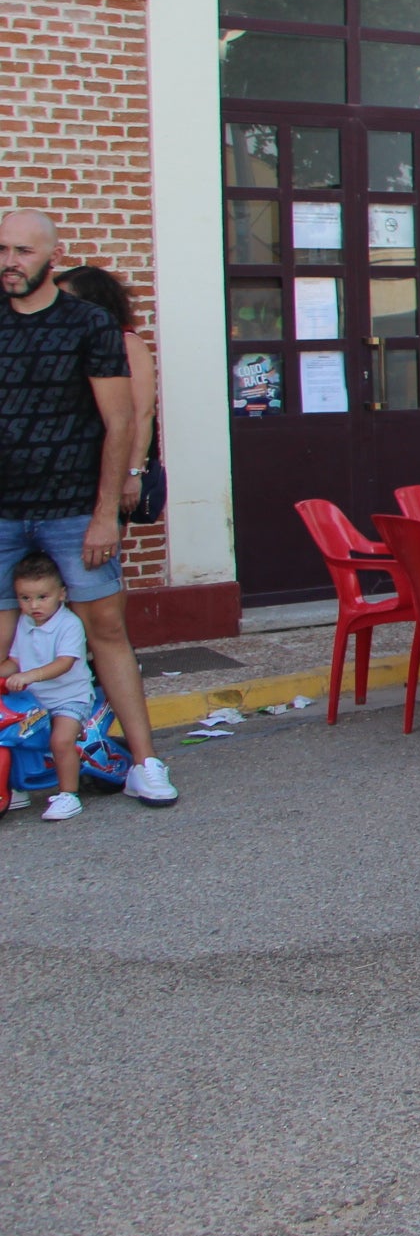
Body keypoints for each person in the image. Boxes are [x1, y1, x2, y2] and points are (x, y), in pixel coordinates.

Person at [0, 212, 174, 810]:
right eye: (2, 249)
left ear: (51, 254)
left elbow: (120, 421)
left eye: (23, 250)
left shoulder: (88, 322)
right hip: (3, 510)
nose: (10, 261)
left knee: (106, 633)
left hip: (74, 509)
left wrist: (106, 513)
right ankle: (12, 772)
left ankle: (147, 762)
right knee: (3, 641)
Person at [54, 266, 157, 528]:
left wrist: (132, 473)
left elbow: (142, 413)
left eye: (68, 299)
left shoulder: (126, 343)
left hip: (110, 466)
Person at [4, 553, 95, 820]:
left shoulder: (69, 624)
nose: (34, 605)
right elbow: (14, 661)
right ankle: (16, 787)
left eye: (42, 597)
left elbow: (64, 663)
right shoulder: (24, 623)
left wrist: (30, 675)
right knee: (12, 737)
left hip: (70, 698)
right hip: (35, 699)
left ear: (61, 594)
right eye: (25, 598)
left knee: (60, 740)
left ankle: (69, 794)